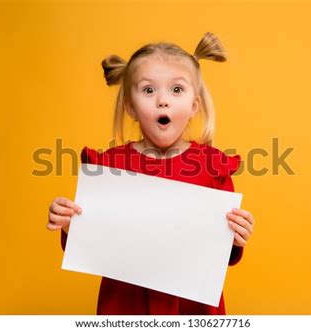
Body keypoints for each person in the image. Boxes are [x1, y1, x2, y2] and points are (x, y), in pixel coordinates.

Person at [47, 32, 256, 315]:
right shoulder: (110, 166)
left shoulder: (212, 167)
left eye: (177, 90)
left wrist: (235, 234)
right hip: (126, 308)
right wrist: (70, 224)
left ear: (194, 105)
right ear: (130, 106)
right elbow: (93, 242)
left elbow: (223, 252)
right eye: (148, 90)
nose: (162, 101)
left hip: (192, 310)